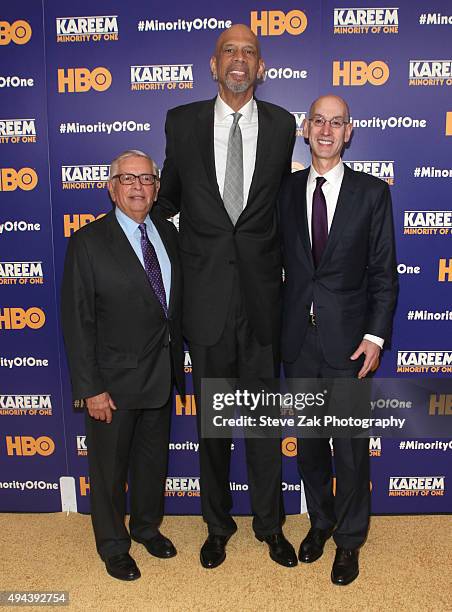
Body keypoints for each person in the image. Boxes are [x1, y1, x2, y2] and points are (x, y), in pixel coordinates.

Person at [156, 24, 297, 569]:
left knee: (263, 426)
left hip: (264, 303)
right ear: (212, 65)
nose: (239, 61)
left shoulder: (285, 125)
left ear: (261, 67)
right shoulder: (182, 122)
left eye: (249, 52)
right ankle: (217, 527)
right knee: (212, 430)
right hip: (207, 303)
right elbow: (167, 200)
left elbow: (286, 208)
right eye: (229, 52)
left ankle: (271, 527)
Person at [279, 95, 398, 585]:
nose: (327, 130)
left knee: (349, 448)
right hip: (298, 342)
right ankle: (321, 522)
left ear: (349, 132)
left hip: (350, 344)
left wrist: (374, 336)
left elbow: (383, 274)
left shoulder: (372, 193)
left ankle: (349, 541)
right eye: (319, 121)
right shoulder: (284, 190)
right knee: (308, 445)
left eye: (337, 122)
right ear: (305, 129)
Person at [61, 150, 185, 581]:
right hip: (111, 384)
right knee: (110, 471)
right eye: (128, 179)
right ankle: (113, 544)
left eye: (147, 179)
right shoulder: (88, 243)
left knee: (152, 464)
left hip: (160, 375)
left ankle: (147, 528)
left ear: (156, 188)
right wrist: (91, 387)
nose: (138, 187)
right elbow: (78, 322)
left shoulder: (168, 234)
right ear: (111, 188)